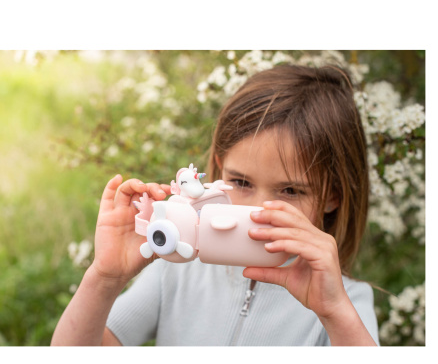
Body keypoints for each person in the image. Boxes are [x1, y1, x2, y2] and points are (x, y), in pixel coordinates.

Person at [51, 64, 379, 346]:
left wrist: (334, 313)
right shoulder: (176, 267)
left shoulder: (343, 301)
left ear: (333, 196)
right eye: (241, 182)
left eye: (290, 190)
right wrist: (104, 278)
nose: (259, 211)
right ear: (220, 169)